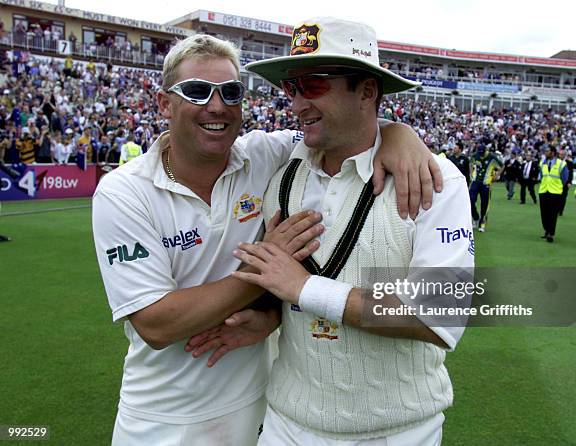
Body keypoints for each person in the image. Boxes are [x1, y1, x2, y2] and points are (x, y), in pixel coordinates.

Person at [92, 33, 443, 446]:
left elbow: (346, 129)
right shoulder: (123, 192)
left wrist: (399, 132)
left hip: (262, 407)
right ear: (164, 104)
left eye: (231, 92)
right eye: (198, 92)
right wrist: (266, 268)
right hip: (163, 414)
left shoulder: (265, 155)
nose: (217, 106)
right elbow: (156, 323)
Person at [192, 17, 473, 445]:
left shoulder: (436, 181)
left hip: (395, 432)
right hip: (287, 423)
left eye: (314, 85)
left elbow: (439, 314)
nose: (298, 103)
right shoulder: (280, 172)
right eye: (292, 88)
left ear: (367, 91)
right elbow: (280, 285)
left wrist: (306, 289)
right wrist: (267, 317)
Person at [469, 144, 503, 232]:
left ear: (485, 151)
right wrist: (471, 173)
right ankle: (475, 217)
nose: (481, 155)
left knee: (485, 204)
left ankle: (482, 223)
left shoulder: (492, 157)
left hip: (486, 183)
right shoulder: (475, 155)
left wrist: (497, 175)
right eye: (479, 153)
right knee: (470, 200)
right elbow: (471, 162)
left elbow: (502, 166)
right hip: (475, 181)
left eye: (482, 153)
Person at [538, 145, 568, 242]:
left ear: (553, 152)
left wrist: (557, 186)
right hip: (543, 190)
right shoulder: (543, 163)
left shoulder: (561, 164)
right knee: (544, 213)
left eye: (547, 151)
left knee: (553, 214)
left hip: (555, 192)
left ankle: (551, 233)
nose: (545, 153)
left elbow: (564, 179)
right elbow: (542, 176)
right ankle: (547, 230)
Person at [558, 148, 574, 216]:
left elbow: (571, 173)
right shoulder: (556, 162)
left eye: (562, 155)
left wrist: (569, 182)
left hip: (565, 183)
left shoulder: (569, 163)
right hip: (557, 182)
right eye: (560, 154)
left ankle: (561, 210)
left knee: (563, 197)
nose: (561, 156)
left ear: (565, 155)